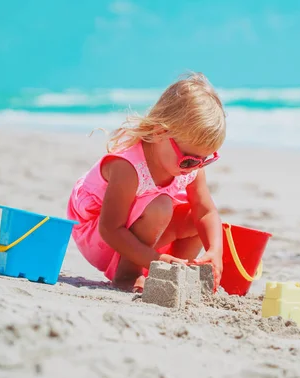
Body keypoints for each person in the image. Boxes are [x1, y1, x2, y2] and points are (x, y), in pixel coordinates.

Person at [66, 72, 225, 293]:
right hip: (101, 234)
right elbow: (110, 229)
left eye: (205, 160)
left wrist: (214, 251)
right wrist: (154, 258)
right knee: (160, 205)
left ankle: (171, 275)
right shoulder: (128, 167)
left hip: (142, 233)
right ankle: (128, 275)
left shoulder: (190, 167)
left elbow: (206, 212)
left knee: (196, 221)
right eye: (189, 159)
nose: (195, 167)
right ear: (160, 132)